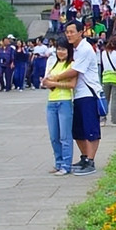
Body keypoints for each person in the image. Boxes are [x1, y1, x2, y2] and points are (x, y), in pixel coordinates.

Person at [42, 20, 102, 176]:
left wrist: (54, 78)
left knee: (90, 129)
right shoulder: (74, 49)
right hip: (76, 95)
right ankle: (84, 157)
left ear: (81, 32)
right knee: (78, 130)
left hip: (88, 93)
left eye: (72, 32)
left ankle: (90, 161)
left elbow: (75, 70)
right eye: (67, 32)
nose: (69, 35)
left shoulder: (85, 49)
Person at [43, 37, 76, 175]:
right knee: (54, 136)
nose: (60, 52)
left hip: (64, 101)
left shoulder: (72, 65)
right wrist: (47, 83)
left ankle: (66, 165)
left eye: (63, 49)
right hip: (51, 101)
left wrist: (54, 83)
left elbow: (72, 84)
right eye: (59, 49)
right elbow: (47, 81)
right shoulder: (54, 64)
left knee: (65, 136)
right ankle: (58, 162)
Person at [100, 39, 116, 127]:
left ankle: (102, 120)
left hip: (105, 78)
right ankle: (114, 121)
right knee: (114, 100)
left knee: (105, 100)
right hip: (115, 78)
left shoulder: (104, 53)